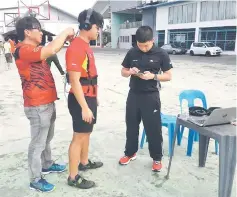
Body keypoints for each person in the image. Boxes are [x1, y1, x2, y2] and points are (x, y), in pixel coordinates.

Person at [14, 16, 75, 192]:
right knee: (37, 143)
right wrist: (65, 32)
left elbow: (52, 50)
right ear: (27, 31)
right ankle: (35, 179)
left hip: (47, 101)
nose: (41, 32)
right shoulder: (22, 50)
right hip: (36, 104)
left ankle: (47, 164)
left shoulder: (35, 48)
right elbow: (51, 49)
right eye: (38, 29)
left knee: (47, 137)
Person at [119, 26, 173, 172]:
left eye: (146, 45)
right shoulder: (132, 52)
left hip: (151, 96)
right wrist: (130, 71)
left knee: (153, 128)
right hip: (134, 94)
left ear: (152, 40)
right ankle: (130, 153)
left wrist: (153, 76)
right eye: (140, 45)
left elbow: (168, 75)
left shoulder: (161, 53)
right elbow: (123, 71)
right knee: (131, 125)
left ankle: (156, 158)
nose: (143, 48)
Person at [65, 8, 104, 189]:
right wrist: (84, 107)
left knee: (87, 133)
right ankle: (73, 177)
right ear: (89, 25)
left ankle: (84, 161)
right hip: (80, 100)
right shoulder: (76, 47)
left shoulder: (85, 45)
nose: (99, 31)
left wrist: (93, 98)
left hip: (89, 96)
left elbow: (87, 75)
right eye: (98, 27)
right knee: (78, 137)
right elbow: (74, 80)